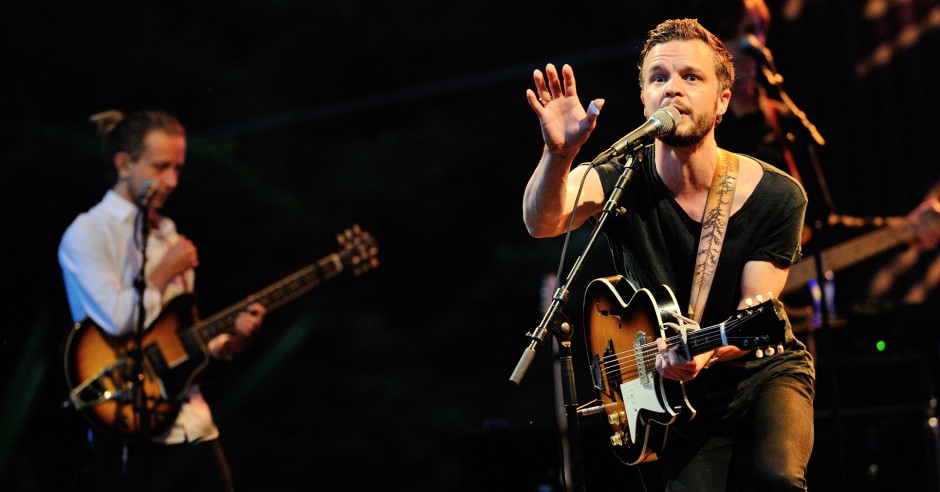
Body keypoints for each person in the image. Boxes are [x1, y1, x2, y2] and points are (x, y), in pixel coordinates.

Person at [522, 18, 814, 491]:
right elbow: (543, 221)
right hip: (666, 389)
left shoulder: (777, 196)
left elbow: (754, 311)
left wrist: (702, 352)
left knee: (776, 479)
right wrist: (558, 155)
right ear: (643, 98)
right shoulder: (620, 180)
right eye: (658, 78)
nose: (672, 89)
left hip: (760, 371)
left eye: (690, 77)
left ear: (722, 100)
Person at [58, 109, 266, 492]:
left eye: (178, 168)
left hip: (192, 422)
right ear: (124, 164)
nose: (172, 180)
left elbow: (183, 331)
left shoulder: (170, 236)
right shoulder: (88, 233)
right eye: (161, 166)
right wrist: (162, 272)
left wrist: (233, 342)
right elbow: (119, 320)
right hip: (127, 423)